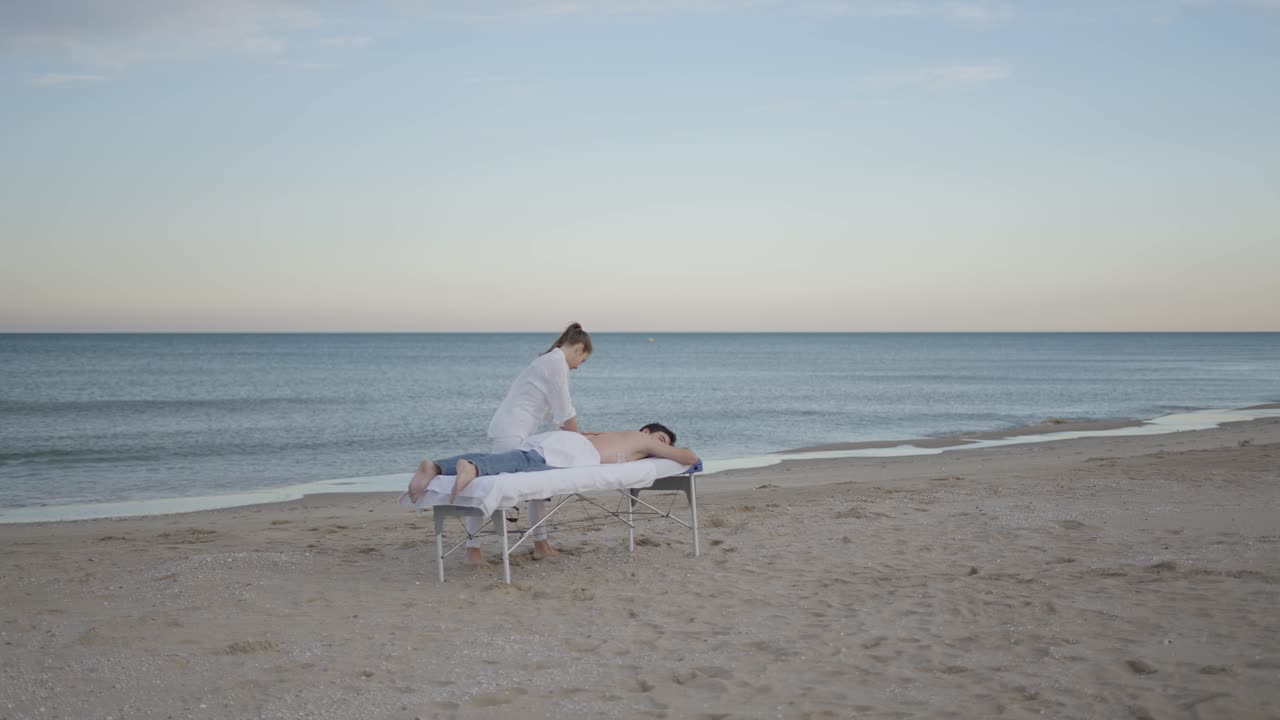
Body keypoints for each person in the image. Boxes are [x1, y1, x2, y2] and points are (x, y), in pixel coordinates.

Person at [406, 422, 698, 503]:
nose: (660, 448)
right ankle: (473, 467)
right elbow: (688, 458)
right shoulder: (643, 439)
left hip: (564, 442)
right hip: (575, 453)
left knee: (516, 459)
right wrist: (678, 454)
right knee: (521, 462)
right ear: (648, 431)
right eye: (661, 439)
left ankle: (436, 467)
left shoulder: (617, 434)